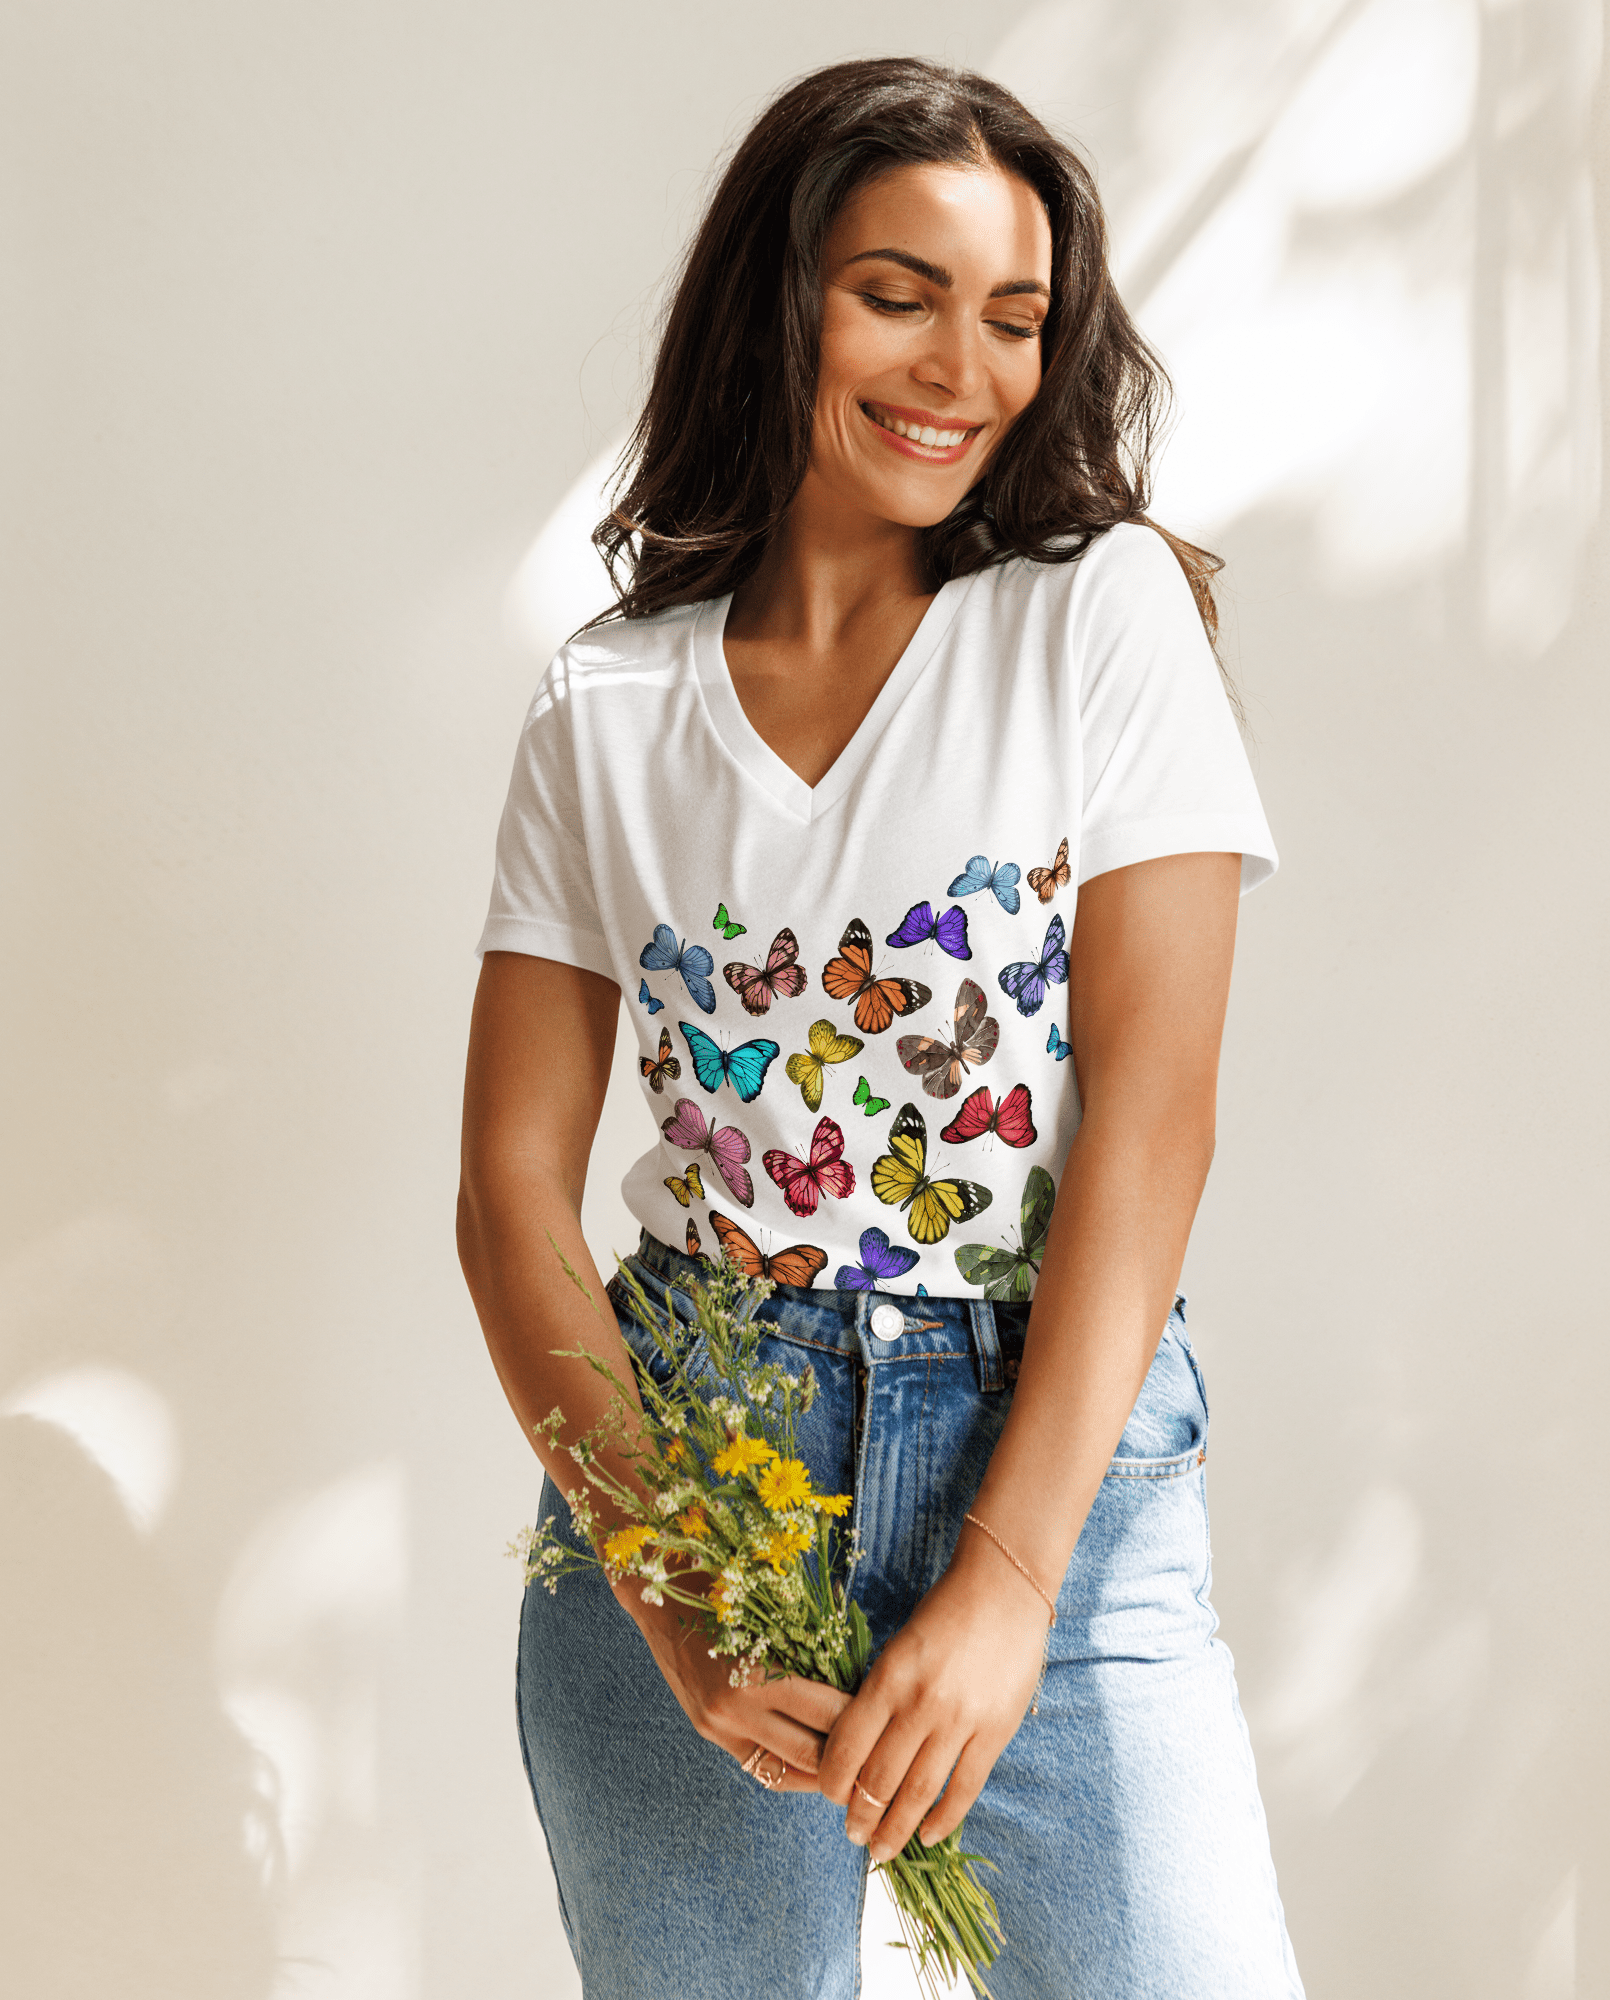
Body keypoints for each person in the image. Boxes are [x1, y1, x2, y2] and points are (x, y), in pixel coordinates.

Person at [457, 55, 1305, 2000]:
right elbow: (510, 1186)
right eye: (896, 292)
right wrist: (669, 1589)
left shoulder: (1099, 618)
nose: (962, 367)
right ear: (782, 296)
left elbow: (1151, 1124)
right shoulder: (608, 700)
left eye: (1015, 316)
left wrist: (1010, 1577)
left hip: (1054, 1471)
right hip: (689, 1460)